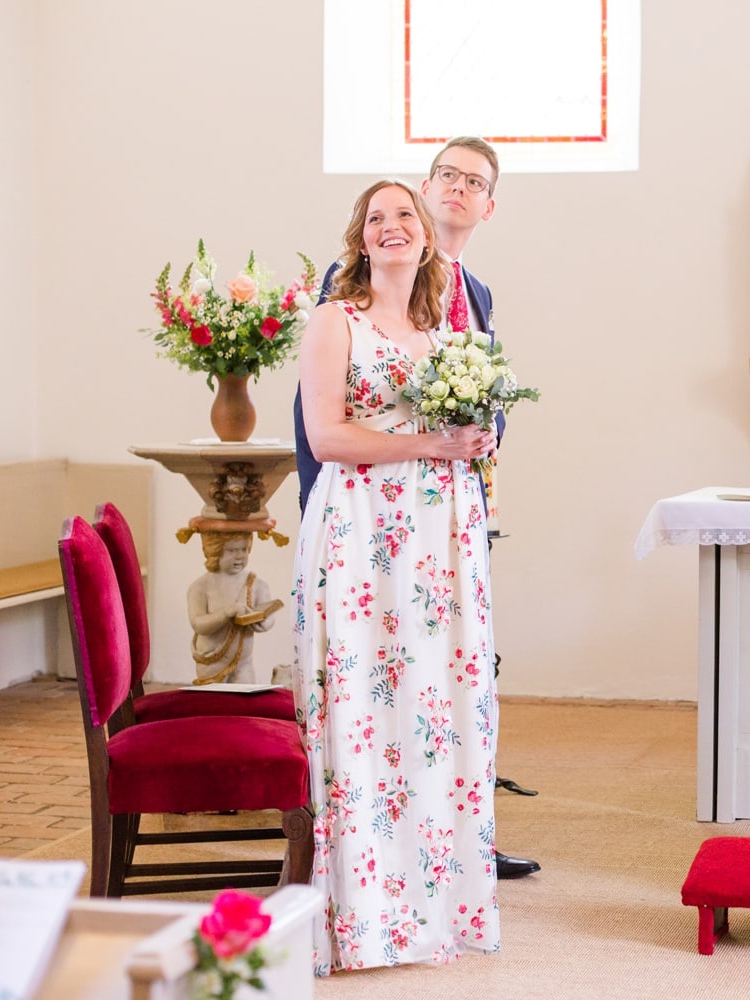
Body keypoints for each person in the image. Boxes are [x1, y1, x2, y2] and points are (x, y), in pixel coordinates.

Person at [293, 137, 540, 882]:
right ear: (430, 189)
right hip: (365, 513)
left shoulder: (473, 296)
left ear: (487, 205)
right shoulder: (348, 295)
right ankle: (371, 849)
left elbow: (485, 392)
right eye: (449, 176)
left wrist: (479, 446)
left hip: (449, 511)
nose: (458, 189)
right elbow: (325, 418)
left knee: (446, 672)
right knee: (376, 679)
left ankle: (456, 830)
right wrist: (332, 509)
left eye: (476, 183)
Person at [187, 531, 279, 684]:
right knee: (214, 703)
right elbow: (197, 623)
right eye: (231, 550)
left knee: (244, 702)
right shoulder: (200, 586)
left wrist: (261, 621)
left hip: (243, 664)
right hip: (211, 662)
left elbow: (269, 618)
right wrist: (225, 613)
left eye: (243, 549)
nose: (239, 556)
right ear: (215, 551)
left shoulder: (257, 584)